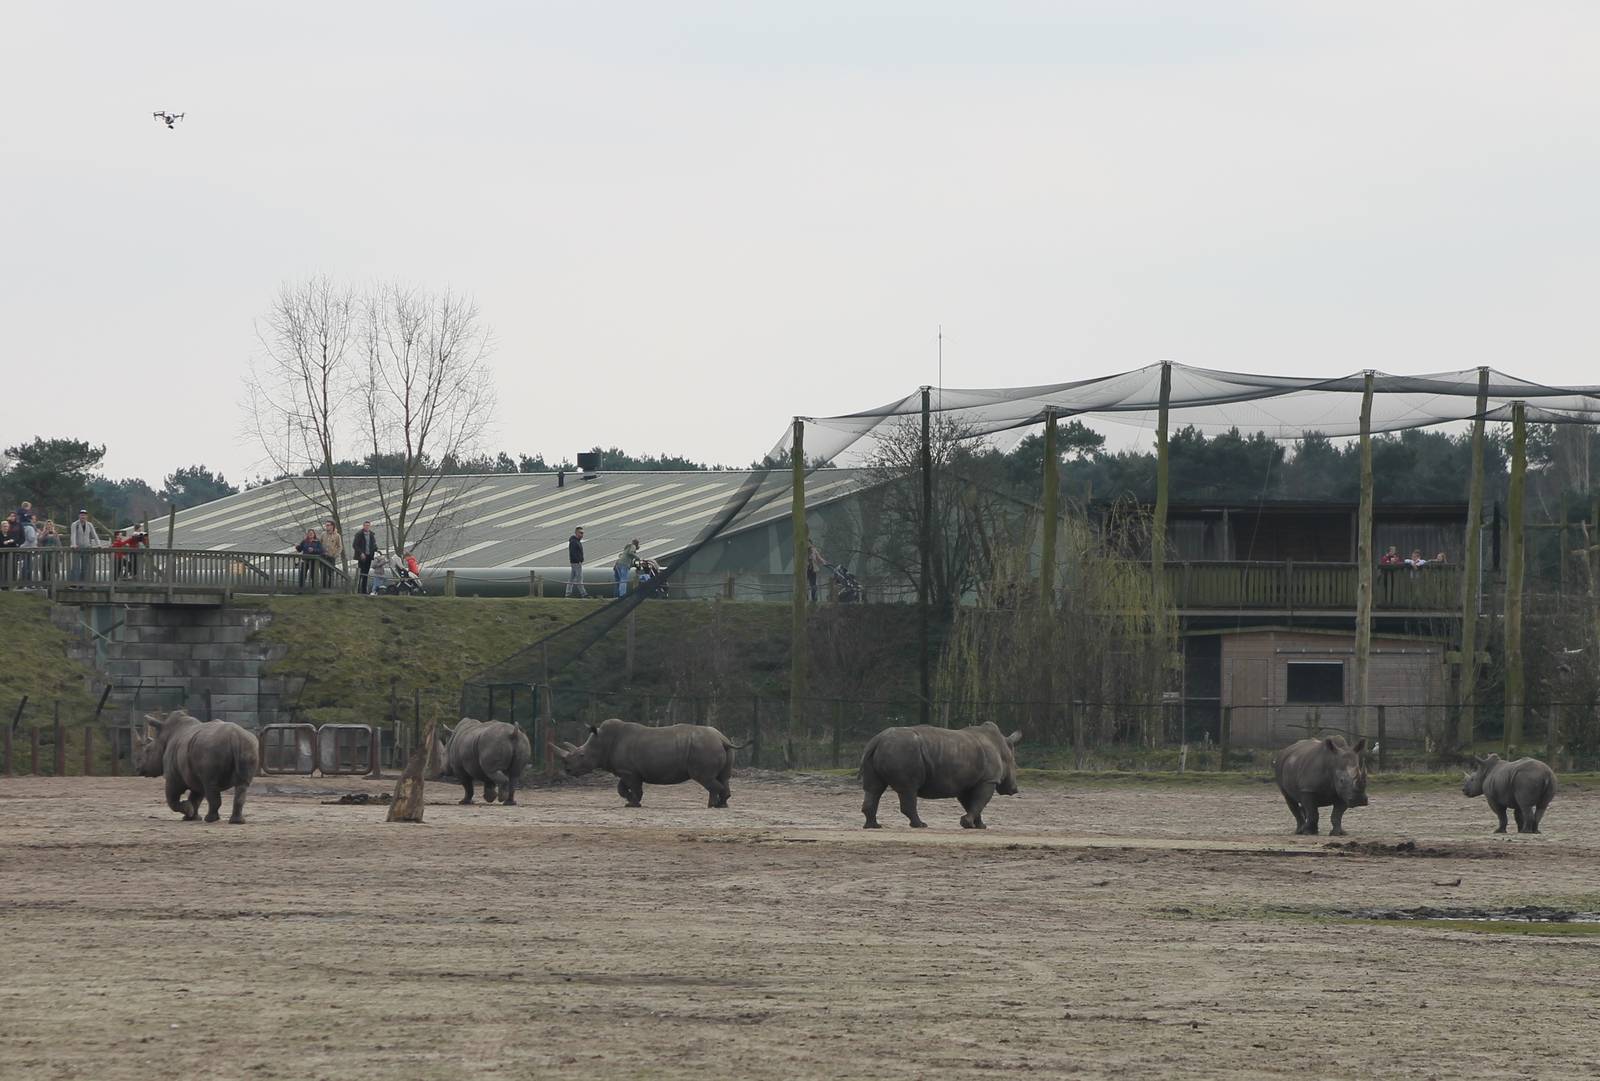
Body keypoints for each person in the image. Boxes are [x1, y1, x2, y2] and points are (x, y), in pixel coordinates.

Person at [69, 509, 100, 581]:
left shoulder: (89, 524)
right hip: (77, 548)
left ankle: (85, 583)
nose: (83, 516)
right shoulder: (75, 524)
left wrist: (98, 544)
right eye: (81, 515)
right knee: (76, 566)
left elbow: (94, 535)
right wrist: (73, 544)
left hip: (87, 547)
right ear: (79, 516)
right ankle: (75, 583)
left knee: (86, 566)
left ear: (87, 516)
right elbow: (73, 535)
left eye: (84, 515)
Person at [352, 521, 378, 593]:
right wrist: (361, 553)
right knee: (361, 573)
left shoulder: (371, 535)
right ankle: (358, 589)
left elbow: (373, 544)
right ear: (363, 526)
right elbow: (355, 545)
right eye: (366, 525)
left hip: (369, 556)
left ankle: (364, 590)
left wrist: (375, 549)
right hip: (362, 557)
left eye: (368, 526)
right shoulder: (359, 534)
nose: (367, 527)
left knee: (366, 573)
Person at [566, 526, 588, 597]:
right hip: (576, 563)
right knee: (579, 578)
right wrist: (578, 560)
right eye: (580, 533)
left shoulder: (576, 541)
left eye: (582, 533)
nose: (582, 535)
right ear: (576, 533)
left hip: (575, 562)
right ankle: (583, 593)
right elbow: (573, 553)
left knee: (572, 578)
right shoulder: (574, 542)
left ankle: (568, 593)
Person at [321, 519, 343, 588]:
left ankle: (330, 589)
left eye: (328, 525)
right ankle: (324, 588)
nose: (326, 526)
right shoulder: (323, 534)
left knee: (331, 574)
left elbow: (340, 547)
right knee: (323, 573)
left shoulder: (337, 535)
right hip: (323, 557)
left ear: (332, 526)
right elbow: (319, 543)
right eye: (326, 525)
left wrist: (335, 555)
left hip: (331, 557)